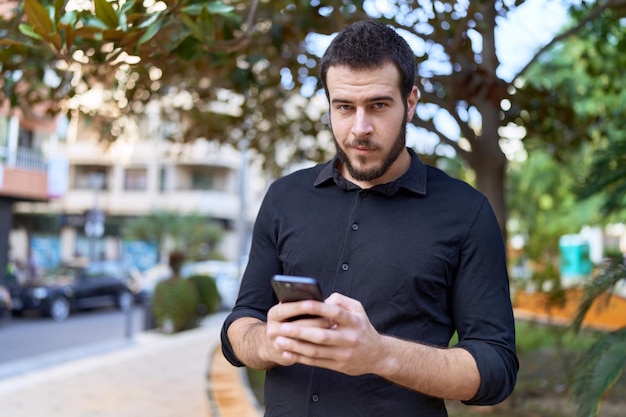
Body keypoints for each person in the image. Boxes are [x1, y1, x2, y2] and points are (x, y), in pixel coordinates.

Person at [221, 19, 518, 416]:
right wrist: (268, 343)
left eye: (378, 105)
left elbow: (496, 367)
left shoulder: (467, 213)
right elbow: (240, 324)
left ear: (410, 102)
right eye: (344, 107)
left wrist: (381, 355)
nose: (359, 129)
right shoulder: (283, 198)